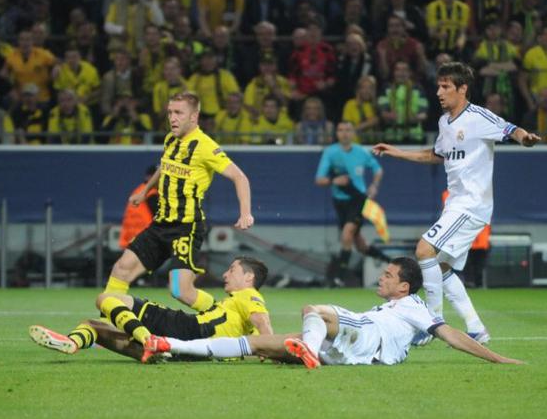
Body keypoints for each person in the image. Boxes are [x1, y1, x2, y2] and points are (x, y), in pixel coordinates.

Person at [54, 91, 254, 351]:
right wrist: (145, 191)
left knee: (180, 291)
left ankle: (224, 313)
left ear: (194, 116)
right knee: (121, 268)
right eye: (170, 112)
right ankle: (107, 328)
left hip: (186, 227)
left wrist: (245, 213)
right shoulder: (171, 140)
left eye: (178, 113)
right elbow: (165, 166)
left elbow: (240, 177)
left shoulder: (205, 146)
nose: (172, 118)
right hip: (161, 224)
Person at [373, 61, 540, 345]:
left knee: (424, 249)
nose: (439, 92)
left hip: (471, 204)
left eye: (445, 87)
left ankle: (432, 323)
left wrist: (525, 138)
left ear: (462, 89)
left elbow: (511, 129)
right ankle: (476, 328)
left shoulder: (478, 116)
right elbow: (436, 155)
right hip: (456, 204)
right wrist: (397, 152)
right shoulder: (444, 122)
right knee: (440, 267)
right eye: (438, 86)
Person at [147, 257, 523, 367]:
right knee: (259, 344)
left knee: (314, 310)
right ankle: (169, 345)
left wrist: (497, 357)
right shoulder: (399, 309)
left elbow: (449, 334)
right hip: (355, 354)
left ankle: (308, 348)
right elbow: (422, 337)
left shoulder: (411, 305)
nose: (381, 277)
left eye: (388, 275)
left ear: (404, 287)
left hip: (366, 335)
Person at [30, 257, 271, 363]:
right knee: (96, 326)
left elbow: (263, 322)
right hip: (188, 349)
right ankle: (73, 342)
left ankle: (146, 337)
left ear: (248, 277)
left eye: (232, 269)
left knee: (106, 298)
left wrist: (272, 351)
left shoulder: (248, 295)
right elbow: (184, 293)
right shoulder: (226, 306)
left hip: (188, 329)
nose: (225, 274)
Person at [316, 122, 390, 287]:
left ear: (353, 133)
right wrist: (334, 180)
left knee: (347, 234)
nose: (344, 133)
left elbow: (378, 169)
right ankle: (389, 261)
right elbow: (319, 179)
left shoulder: (361, 152)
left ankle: (339, 279)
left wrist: (374, 186)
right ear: (336, 133)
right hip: (340, 201)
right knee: (360, 245)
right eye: (341, 130)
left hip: (358, 199)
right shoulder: (330, 152)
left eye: (348, 130)